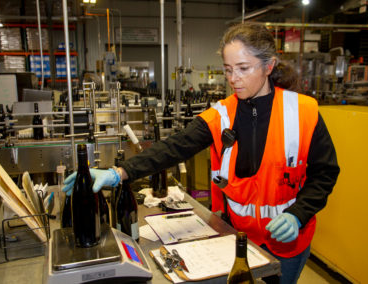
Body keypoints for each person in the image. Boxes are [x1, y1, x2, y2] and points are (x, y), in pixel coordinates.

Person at [63, 23, 339, 284]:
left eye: (243, 68)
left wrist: (298, 214)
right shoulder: (222, 113)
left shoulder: (304, 111)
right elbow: (175, 146)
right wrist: (118, 173)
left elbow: (324, 173)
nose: (233, 79)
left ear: (269, 66)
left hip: (287, 241)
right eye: (228, 69)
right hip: (235, 235)